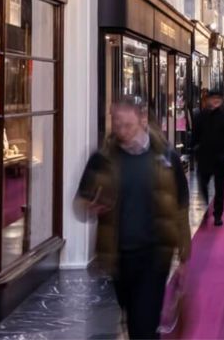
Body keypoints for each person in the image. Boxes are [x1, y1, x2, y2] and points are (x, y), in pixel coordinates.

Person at [76, 96, 191, 339]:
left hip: (155, 254)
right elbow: (82, 199)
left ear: (142, 119)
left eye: (127, 125)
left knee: (143, 323)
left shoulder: (167, 157)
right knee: (132, 313)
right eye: (117, 124)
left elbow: (180, 204)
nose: (122, 131)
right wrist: (89, 206)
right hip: (119, 256)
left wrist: (183, 256)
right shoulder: (103, 159)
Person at [191, 89, 224, 226]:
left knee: (220, 188)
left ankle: (218, 214)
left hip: (221, 158)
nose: (216, 100)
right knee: (202, 184)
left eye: (218, 98)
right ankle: (205, 206)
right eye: (213, 98)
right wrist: (195, 149)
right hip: (204, 156)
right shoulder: (200, 116)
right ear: (208, 99)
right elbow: (195, 135)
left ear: (222, 100)